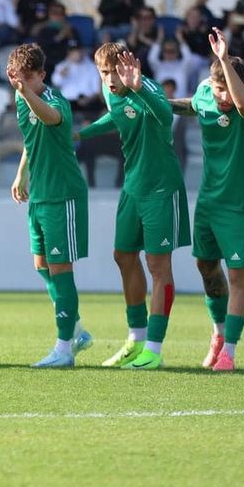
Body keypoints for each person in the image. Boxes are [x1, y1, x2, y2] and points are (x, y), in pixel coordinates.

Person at [78, 43, 189, 370]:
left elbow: (166, 115)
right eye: (104, 72)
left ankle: (154, 350)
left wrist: (140, 87)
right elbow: (115, 116)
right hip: (133, 187)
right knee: (123, 255)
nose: (110, 78)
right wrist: (78, 135)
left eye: (114, 71)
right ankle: (136, 340)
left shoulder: (145, 86)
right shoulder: (110, 90)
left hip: (161, 187)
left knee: (158, 265)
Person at [169, 31, 244, 371]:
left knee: (238, 275)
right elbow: (190, 105)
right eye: (218, 86)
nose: (222, 95)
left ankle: (231, 352)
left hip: (240, 204)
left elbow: (241, 104)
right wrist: (146, 95)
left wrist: (225, 60)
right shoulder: (205, 93)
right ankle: (218, 335)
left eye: (228, 86)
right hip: (208, 201)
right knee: (206, 266)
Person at [2, 43, 94, 367]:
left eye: (30, 77)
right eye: (18, 77)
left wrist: (26, 92)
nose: (23, 82)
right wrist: (21, 173)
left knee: (61, 269)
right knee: (41, 266)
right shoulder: (20, 95)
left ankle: (64, 350)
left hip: (63, 195)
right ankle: (77, 329)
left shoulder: (56, 100)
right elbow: (32, 138)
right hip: (39, 194)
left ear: (42, 74)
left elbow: (51, 118)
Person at [51, 41, 102, 111]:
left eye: (77, 51)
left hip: (88, 103)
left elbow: (97, 90)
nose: (76, 54)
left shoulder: (92, 67)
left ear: (82, 51)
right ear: (69, 53)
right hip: (68, 102)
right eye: (73, 52)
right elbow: (55, 82)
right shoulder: (62, 66)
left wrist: (88, 99)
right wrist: (61, 74)